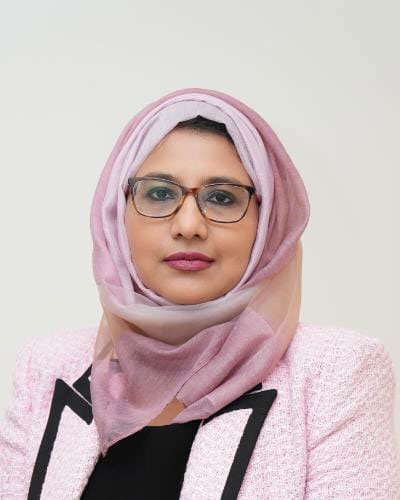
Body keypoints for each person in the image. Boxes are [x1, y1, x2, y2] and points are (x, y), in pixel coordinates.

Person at [0, 88, 399, 500]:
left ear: (267, 223)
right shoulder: (45, 368)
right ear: (117, 215)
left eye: (222, 198)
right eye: (159, 193)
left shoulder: (336, 373)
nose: (188, 225)